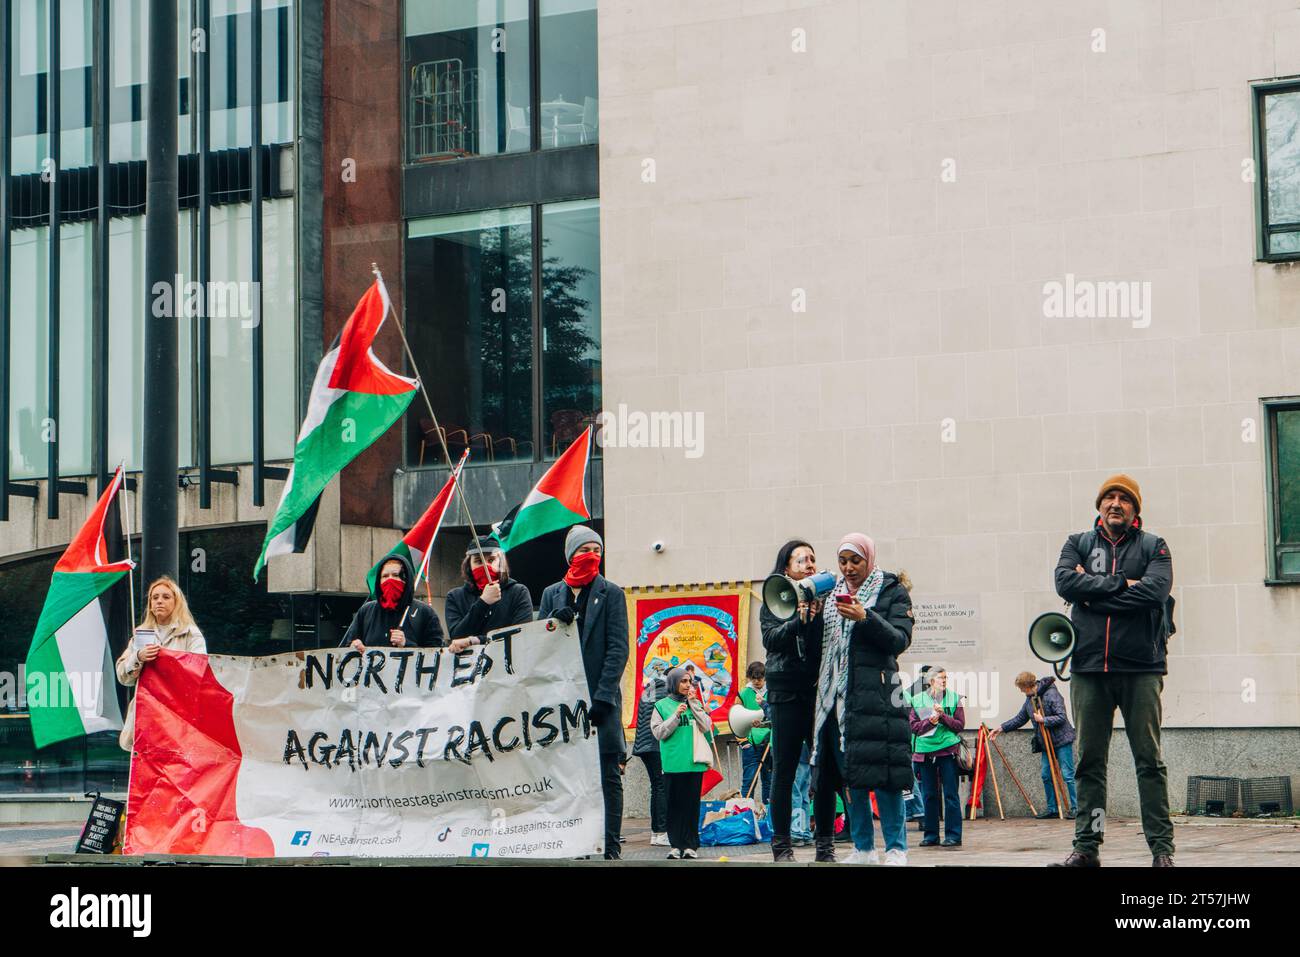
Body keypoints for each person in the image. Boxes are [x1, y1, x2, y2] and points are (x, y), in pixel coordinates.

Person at [1051, 474, 1175, 868]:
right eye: (1109, 498)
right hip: (1089, 667)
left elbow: (1154, 593)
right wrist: (1123, 583)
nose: (1115, 503)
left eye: (1124, 499)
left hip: (1141, 668)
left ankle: (1161, 850)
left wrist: (1094, 594)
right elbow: (1065, 582)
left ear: (1136, 509)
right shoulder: (1077, 543)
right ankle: (1088, 846)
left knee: (1149, 761)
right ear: (1099, 506)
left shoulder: (1155, 546)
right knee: (1089, 761)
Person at [810, 533, 914, 865]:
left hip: (879, 699)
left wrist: (865, 618)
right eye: (843, 561)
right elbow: (821, 647)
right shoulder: (831, 595)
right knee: (853, 777)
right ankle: (863, 848)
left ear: (869, 559)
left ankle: (896, 848)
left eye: (856, 560)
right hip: (837, 702)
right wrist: (808, 614)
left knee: (886, 778)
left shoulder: (891, 590)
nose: (849, 568)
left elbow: (899, 640)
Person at [538, 526, 629, 860]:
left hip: (600, 704)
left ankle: (612, 847)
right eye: (584, 549)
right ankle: (576, 844)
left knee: (607, 776)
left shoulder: (612, 593)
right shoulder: (552, 594)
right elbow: (539, 645)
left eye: (597, 549)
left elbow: (618, 648)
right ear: (570, 555)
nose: (592, 555)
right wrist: (551, 622)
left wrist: (604, 696)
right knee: (568, 777)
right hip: (562, 705)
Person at [760, 539, 824, 861]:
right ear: (787, 568)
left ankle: (824, 844)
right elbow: (771, 640)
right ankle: (782, 845)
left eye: (813, 559)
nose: (810, 565)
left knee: (824, 768)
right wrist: (797, 621)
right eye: (802, 560)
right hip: (785, 692)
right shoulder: (774, 599)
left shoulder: (823, 599)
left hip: (816, 692)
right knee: (784, 771)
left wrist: (819, 616)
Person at [115, 576, 207, 751]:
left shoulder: (190, 633)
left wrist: (169, 660)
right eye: (155, 597)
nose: (159, 601)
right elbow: (123, 677)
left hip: (177, 715)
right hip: (146, 717)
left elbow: (199, 672)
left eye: (166, 597)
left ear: (176, 602)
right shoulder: (141, 634)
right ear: (150, 603)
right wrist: (137, 657)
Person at [991, 672, 1078, 819]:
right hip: (1045, 742)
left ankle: (1076, 808)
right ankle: (1053, 809)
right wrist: (1000, 728)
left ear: (1029, 686)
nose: (1021, 691)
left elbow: (1061, 717)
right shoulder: (1030, 699)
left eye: (1022, 688)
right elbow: (1019, 719)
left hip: (1062, 740)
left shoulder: (1052, 694)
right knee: (1046, 775)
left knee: (1067, 775)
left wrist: (1043, 719)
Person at [651, 666, 715, 859]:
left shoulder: (693, 702)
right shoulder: (661, 705)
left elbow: (706, 726)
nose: (688, 685)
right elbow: (659, 732)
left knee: (691, 805)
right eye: (683, 681)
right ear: (673, 683)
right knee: (673, 805)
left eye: (689, 681)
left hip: (693, 762)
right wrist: (676, 716)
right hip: (672, 763)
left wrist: (694, 704)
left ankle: (690, 846)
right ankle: (675, 845)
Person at [444, 537, 534, 652]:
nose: (486, 566)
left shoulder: (518, 592)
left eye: (491, 560)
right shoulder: (455, 597)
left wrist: (475, 640)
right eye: (478, 561)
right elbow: (457, 637)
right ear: (469, 566)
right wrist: (483, 603)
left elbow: (520, 635)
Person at [908, 667, 964, 847]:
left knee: (950, 795)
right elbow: (914, 727)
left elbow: (959, 725)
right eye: (941, 678)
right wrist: (929, 722)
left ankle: (953, 835)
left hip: (947, 751)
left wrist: (942, 716)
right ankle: (931, 835)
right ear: (932, 681)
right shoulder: (917, 700)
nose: (945, 680)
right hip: (925, 752)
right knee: (929, 795)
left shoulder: (955, 698)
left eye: (946, 677)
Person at [344, 554, 444, 652]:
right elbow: (348, 643)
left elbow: (436, 652)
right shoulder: (366, 611)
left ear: (406, 579)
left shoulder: (424, 612)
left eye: (395, 575)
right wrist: (353, 646)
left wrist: (407, 644)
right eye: (385, 576)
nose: (390, 580)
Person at [632, 663, 671, 846]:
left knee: (656, 787)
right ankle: (662, 831)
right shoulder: (665, 693)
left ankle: (656, 833)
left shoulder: (650, 689)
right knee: (661, 787)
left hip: (644, 745)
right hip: (656, 745)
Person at [738, 661, 772, 803]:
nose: (757, 682)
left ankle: (768, 815)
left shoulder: (772, 691)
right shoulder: (744, 693)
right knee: (749, 782)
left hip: (769, 742)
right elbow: (736, 717)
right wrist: (743, 742)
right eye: (754, 678)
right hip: (750, 743)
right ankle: (746, 814)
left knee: (769, 782)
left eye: (760, 678)